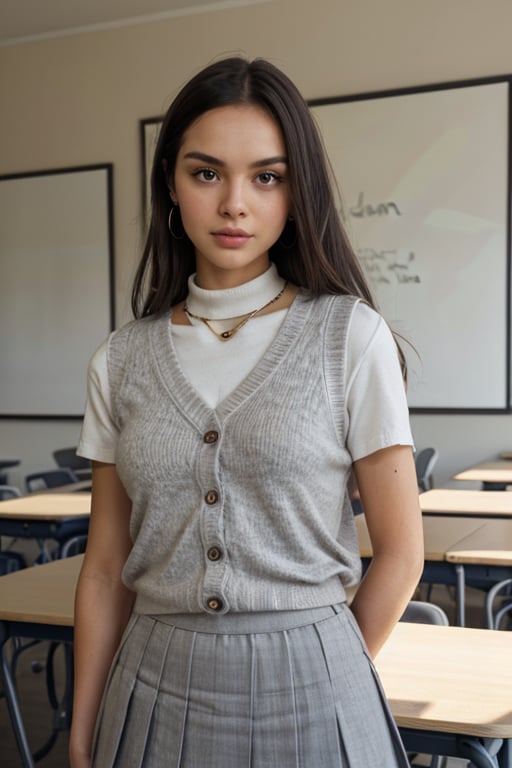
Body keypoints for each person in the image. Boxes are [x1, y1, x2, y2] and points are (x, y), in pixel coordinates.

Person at [70, 56, 423, 768]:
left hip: (317, 679)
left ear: (297, 192)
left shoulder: (350, 335)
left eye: (267, 176)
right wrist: (81, 733)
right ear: (171, 182)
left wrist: (329, 667)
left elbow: (401, 552)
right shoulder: (121, 359)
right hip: (150, 688)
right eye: (207, 173)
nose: (235, 203)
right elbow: (105, 568)